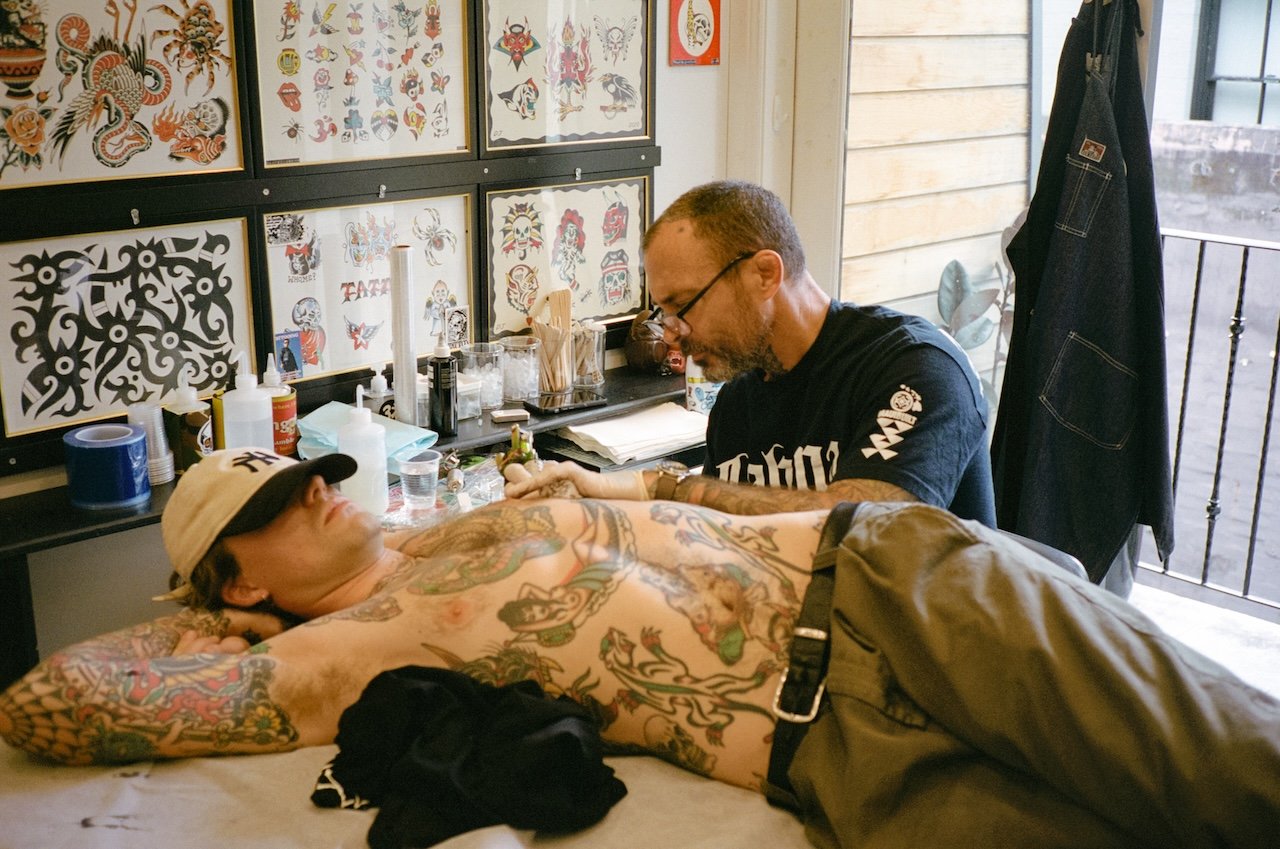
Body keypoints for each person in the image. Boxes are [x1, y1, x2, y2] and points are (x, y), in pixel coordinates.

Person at [2, 448, 1278, 848]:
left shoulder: (461, 519)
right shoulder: (332, 660)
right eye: (270, 510)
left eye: (309, 474)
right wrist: (205, 624)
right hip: (826, 753)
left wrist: (688, 484)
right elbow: (49, 703)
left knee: (1239, 772)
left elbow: (697, 512)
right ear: (234, 579)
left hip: (893, 586)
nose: (313, 494)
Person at [505, 180, 996, 525]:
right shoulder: (738, 404)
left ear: (764, 274)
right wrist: (594, 506)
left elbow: (866, 524)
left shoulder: (916, 368)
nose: (672, 334)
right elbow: (725, 536)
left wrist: (664, 488)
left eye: (682, 306)